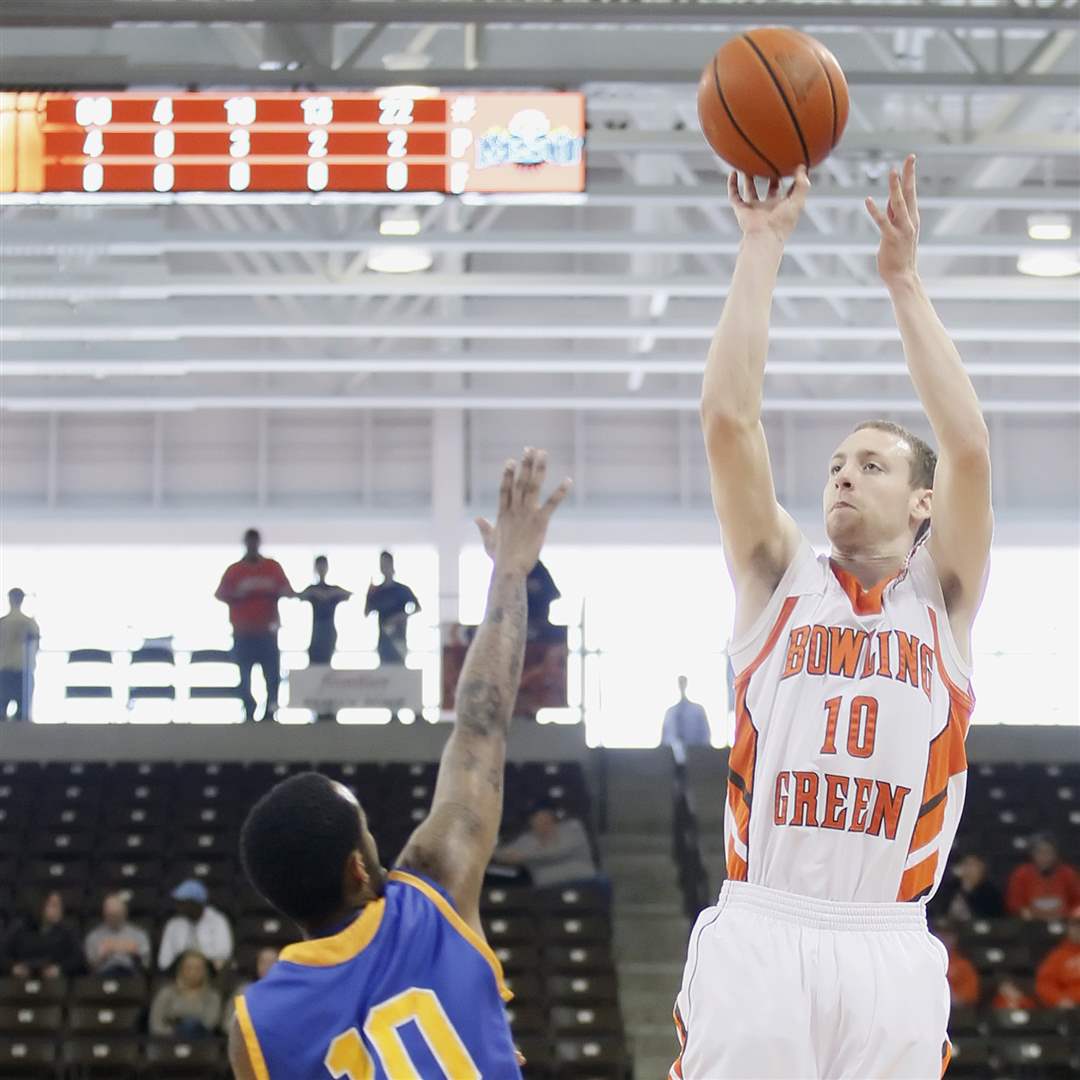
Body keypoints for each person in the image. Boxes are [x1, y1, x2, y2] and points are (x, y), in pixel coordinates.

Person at [672, 156, 993, 1080]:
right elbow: (728, 420)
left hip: (888, 939)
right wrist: (761, 244)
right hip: (763, 925)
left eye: (874, 464)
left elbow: (969, 447)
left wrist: (904, 284)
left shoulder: (946, 597)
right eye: (837, 464)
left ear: (922, 503)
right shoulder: (778, 576)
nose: (844, 474)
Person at [227, 450, 569, 1079]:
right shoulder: (430, 894)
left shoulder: (256, 1026)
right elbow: (481, 724)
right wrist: (510, 575)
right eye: (367, 831)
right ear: (359, 868)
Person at [215, 529, 295, 722]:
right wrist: (239, 594)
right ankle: (249, 710)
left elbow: (289, 591)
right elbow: (220, 593)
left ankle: (270, 710)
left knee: (272, 675)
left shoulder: (272, 567)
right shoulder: (235, 570)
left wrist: (270, 591)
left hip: (267, 632)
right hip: (243, 633)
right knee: (244, 676)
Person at [494, 799, 599, 889]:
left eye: (545, 816)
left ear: (553, 817)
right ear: (531, 821)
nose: (542, 821)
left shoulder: (572, 828)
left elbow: (558, 852)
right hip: (545, 889)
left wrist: (524, 857)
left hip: (582, 881)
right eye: (537, 818)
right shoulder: (527, 839)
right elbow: (501, 853)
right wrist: (501, 855)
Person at [1, 891, 84, 978]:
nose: (59, 909)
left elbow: (78, 958)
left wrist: (59, 969)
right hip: (21, 980)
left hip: (56, 982)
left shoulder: (67, 931)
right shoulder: (19, 928)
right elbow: (2, 955)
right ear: (41, 906)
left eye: (60, 906)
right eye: (54, 905)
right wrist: (13, 967)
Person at [157, 880, 234, 974]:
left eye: (183, 903)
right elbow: (164, 961)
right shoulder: (173, 924)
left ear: (197, 903)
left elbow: (224, 954)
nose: (179, 907)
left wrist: (198, 962)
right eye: (178, 903)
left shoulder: (218, 920)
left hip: (210, 973)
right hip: (178, 975)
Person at [149, 950, 223, 1038]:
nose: (193, 972)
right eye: (189, 968)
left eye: (198, 968)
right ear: (181, 970)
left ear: (205, 971)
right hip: (168, 1041)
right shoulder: (166, 993)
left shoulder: (212, 996)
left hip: (201, 1042)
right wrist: (175, 1033)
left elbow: (210, 1024)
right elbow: (155, 1024)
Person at [364, 551, 420, 665]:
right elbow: (367, 612)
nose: (383, 566)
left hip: (399, 638)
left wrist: (402, 616)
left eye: (385, 563)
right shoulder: (377, 591)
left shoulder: (402, 589)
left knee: (399, 670)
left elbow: (418, 607)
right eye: (381, 564)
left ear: (391, 564)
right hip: (383, 640)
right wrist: (368, 595)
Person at [1006, 835, 1080, 921]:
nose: (1044, 856)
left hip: (1064, 922)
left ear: (1056, 854)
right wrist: (1024, 912)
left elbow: (1078, 902)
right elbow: (1014, 903)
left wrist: (1070, 915)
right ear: (1032, 854)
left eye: (1048, 852)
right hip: (1031, 924)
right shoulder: (1021, 874)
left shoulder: (1068, 873)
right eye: (1040, 852)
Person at [299, 556, 352, 666]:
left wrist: (331, 594)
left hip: (329, 630)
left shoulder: (333, 589)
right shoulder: (313, 589)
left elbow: (348, 594)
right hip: (316, 630)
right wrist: (316, 593)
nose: (321, 568)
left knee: (326, 663)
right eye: (319, 565)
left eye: (323, 565)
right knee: (314, 662)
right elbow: (300, 595)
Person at [84, 892, 151, 975]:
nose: (114, 918)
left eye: (117, 914)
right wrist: (102, 955)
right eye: (110, 915)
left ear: (125, 912)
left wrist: (135, 953)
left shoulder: (139, 935)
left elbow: (147, 965)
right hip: (102, 977)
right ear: (104, 914)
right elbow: (89, 968)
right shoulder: (93, 936)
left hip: (131, 977)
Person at [0, 588, 39, 721]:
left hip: (4, 667)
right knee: (22, 714)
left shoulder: (2, 622)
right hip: (22, 668)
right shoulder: (29, 623)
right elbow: (35, 646)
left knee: (1, 711)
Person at [933, 852, 1005, 922]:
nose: (969, 869)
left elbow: (990, 916)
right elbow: (941, 910)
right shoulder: (951, 887)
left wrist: (968, 890)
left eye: (973, 865)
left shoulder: (990, 892)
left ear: (982, 868)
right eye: (966, 864)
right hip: (951, 929)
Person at [222, 946, 279, 1031]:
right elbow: (228, 1023)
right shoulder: (243, 991)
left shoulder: (288, 993)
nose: (266, 967)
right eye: (263, 962)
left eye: (271, 963)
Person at [1035, 905, 1080, 1008]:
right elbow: (1044, 984)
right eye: (1075, 925)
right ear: (1069, 928)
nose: (1078, 929)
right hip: (1072, 1009)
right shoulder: (1058, 955)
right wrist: (1059, 999)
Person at [661, 676, 712, 765]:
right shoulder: (670, 712)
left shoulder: (697, 710)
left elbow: (705, 736)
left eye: (683, 682)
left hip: (696, 759)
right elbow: (664, 738)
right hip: (671, 762)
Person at [935, 922, 980, 1007]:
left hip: (956, 1014)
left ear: (955, 937)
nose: (943, 938)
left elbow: (967, 998)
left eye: (947, 934)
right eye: (940, 933)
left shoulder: (963, 966)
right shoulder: (923, 962)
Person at [525, 559, 560, 636]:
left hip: (540, 622)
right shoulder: (512, 568)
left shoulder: (538, 569)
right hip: (517, 623)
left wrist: (538, 588)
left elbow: (555, 593)